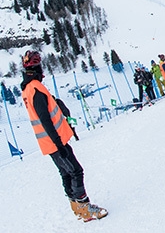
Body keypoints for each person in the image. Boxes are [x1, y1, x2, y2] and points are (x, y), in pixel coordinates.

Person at [20, 50, 108, 222]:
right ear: (37, 68)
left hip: (50, 142)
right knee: (76, 171)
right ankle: (84, 207)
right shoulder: (35, 89)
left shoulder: (30, 88)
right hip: (54, 141)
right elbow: (44, 119)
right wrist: (59, 144)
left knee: (66, 173)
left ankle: (76, 206)